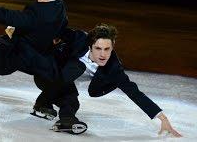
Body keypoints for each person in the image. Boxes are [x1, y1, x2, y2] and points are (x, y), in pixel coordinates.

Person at [32, 24, 182, 137]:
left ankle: (67, 121)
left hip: (64, 86)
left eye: (107, 49)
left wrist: (162, 118)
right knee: (76, 68)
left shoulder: (113, 68)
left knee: (72, 101)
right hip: (47, 74)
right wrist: (18, 31)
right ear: (90, 46)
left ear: (112, 47)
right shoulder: (79, 39)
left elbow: (134, 92)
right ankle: (42, 103)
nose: (103, 54)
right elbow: (52, 26)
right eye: (98, 48)